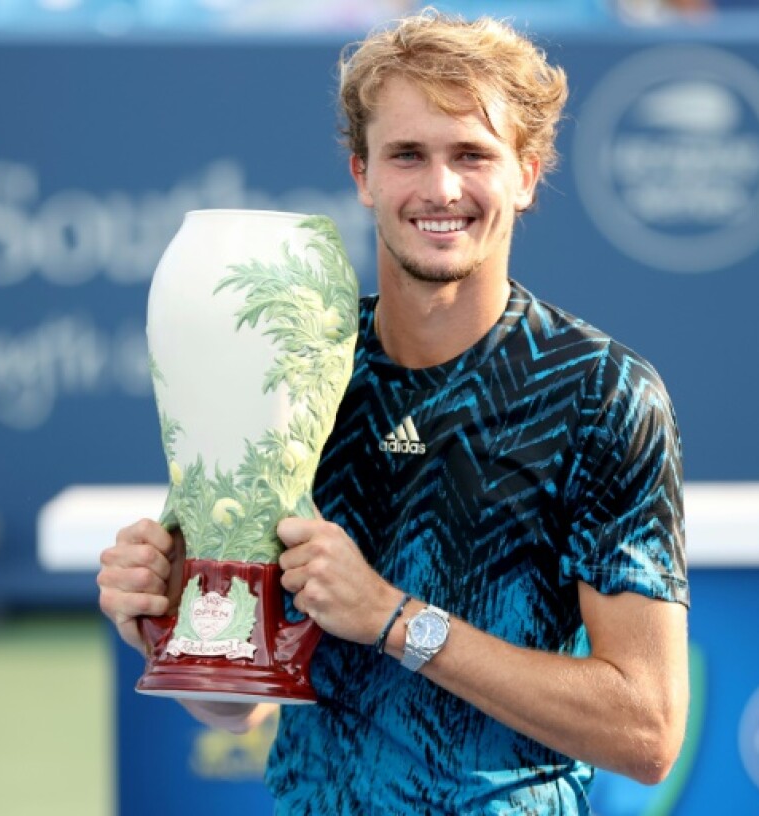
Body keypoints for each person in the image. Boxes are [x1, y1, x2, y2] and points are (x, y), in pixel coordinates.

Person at [97, 10, 690, 814]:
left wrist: (394, 619)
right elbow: (242, 706)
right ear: (362, 174)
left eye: (473, 155)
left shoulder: (603, 394)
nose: (440, 189)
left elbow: (647, 731)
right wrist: (174, 622)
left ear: (527, 173)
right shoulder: (294, 369)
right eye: (408, 154)